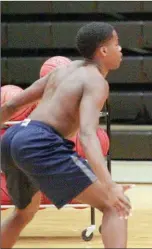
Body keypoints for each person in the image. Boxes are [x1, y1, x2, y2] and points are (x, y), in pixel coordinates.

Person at [1, 22, 132, 248]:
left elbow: (12, 105)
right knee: (114, 205)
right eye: (116, 44)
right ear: (103, 51)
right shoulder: (96, 81)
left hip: (13, 137)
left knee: (23, 213)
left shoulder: (62, 72)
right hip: (39, 142)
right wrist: (110, 185)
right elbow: (88, 135)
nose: (120, 49)